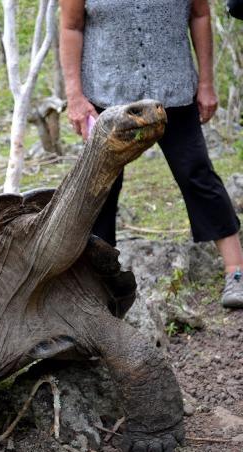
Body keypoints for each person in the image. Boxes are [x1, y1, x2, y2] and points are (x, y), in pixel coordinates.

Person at [60, 0, 243, 308]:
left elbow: (199, 15)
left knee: (196, 172)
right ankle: (97, 283)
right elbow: (70, 26)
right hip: (107, 96)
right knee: (101, 188)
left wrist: (207, 82)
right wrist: (74, 96)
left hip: (173, 92)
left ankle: (236, 272)